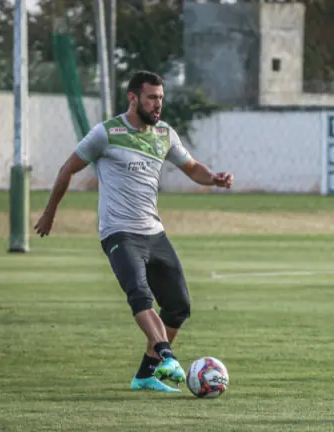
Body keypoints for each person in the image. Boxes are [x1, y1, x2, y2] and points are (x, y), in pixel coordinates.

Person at [34, 70, 235, 393]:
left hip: (153, 232)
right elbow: (67, 169)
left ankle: (144, 375)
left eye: (160, 99)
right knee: (140, 296)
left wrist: (214, 178)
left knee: (178, 306)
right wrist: (49, 214)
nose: (158, 105)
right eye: (152, 98)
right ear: (133, 98)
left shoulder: (164, 134)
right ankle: (166, 356)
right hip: (119, 232)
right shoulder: (106, 133)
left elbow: (192, 167)